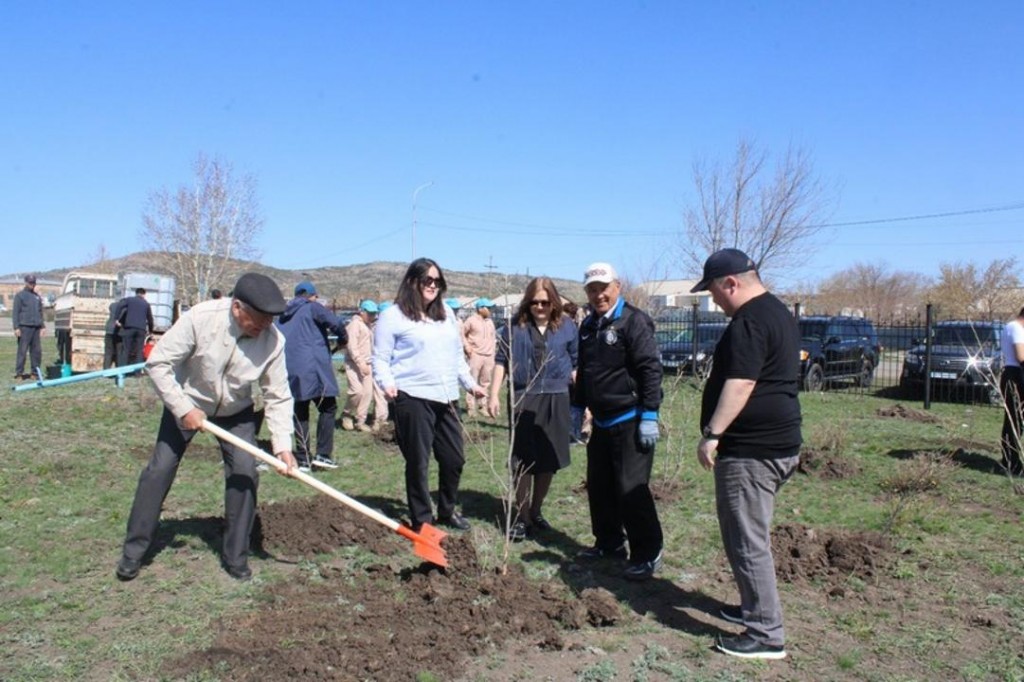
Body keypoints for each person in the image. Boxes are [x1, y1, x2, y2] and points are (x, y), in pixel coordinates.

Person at [115, 272, 298, 582]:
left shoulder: (273, 341)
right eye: (259, 319)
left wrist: (283, 446)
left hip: (236, 411)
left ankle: (236, 556)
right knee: (159, 470)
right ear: (237, 307)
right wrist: (183, 408)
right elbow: (158, 363)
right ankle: (134, 552)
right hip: (188, 402)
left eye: (271, 320)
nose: (265, 326)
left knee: (245, 472)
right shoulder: (201, 318)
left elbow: (278, 395)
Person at [691, 248, 801, 660]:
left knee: (747, 540)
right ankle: (755, 607)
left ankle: (766, 634)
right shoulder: (778, 312)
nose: (713, 299)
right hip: (778, 444)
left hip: (752, 451)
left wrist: (713, 434)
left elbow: (741, 383)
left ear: (731, 283)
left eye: (713, 291)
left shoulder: (750, 320)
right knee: (751, 534)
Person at [372, 258, 486, 532]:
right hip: (412, 396)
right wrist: (387, 383)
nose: (433, 285)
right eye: (427, 280)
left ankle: (446, 510)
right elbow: (380, 358)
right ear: (413, 282)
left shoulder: (446, 314)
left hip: (446, 397)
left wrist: (470, 384)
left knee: (454, 459)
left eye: (437, 281)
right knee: (418, 462)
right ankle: (422, 520)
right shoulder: (393, 316)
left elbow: (456, 355)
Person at [574, 262, 664, 581]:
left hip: (631, 418)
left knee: (631, 489)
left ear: (617, 286)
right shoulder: (588, 326)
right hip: (601, 421)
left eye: (603, 288)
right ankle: (609, 542)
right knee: (599, 486)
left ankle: (648, 552)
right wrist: (578, 407)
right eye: (592, 289)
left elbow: (650, 369)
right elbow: (585, 370)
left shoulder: (634, 321)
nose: (598, 295)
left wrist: (650, 414)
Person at [488, 277, 578, 541]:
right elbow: (501, 361)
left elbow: (576, 362)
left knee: (549, 459)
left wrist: (584, 397)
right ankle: (522, 516)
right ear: (527, 302)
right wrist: (493, 394)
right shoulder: (513, 327)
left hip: (557, 397)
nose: (540, 307)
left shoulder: (567, 327)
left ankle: (536, 510)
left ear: (554, 303)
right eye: (535, 302)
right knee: (523, 461)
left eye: (545, 302)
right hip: (523, 397)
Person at [275, 280, 348, 471]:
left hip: (290, 369)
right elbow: (336, 323)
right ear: (312, 296)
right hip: (314, 368)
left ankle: (303, 458)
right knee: (328, 407)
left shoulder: (282, 315)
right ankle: (323, 454)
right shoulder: (312, 307)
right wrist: (343, 339)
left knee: (300, 411)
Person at [342, 300, 384, 433]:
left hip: (367, 363)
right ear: (362, 312)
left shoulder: (369, 325)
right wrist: (360, 363)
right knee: (357, 391)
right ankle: (347, 413)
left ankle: (360, 421)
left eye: (374, 314)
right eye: (370, 313)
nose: (372, 316)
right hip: (354, 363)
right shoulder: (355, 325)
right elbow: (352, 346)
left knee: (367, 394)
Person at [462, 297, 497, 418]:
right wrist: (467, 347)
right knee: (472, 381)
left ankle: (483, 406)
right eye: (488, 308)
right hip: (475, 354)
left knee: (485, 382)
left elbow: (493, 338)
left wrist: (492, 353)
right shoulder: (471, 320)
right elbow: (462, 334)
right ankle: (470, 407)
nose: (490, 310)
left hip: (488, 356)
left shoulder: (490, 322)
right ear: (480, 308)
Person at [999, 307, 1024, 475]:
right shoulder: (1016, 328)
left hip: (1015, 373)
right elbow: (1021, 356)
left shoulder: (1012, 327)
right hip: (1016, 375)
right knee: (1015, 419)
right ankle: (1011, 462)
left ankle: (1010, 460)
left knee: (1016, 419)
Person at [13, 274, 45, 380]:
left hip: (36, 328)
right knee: (22, 351)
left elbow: (40, 312)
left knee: (36, 352)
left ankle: (34, 373)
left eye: (34, 282)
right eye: (30, 282)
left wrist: (42, 326)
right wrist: (16, 327)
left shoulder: (37, 297)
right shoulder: (20, 296)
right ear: (26, 282)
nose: (32, 284)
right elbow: (15, 313)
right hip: (24, 327)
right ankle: (19, 373)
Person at [116, 288, 155, 366]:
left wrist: (116, 318)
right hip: (141, 329)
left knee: (126, 349)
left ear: (136, 293)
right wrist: (151, 331)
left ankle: (123, 369)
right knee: (139, 350)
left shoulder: (129, 300)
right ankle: (137, 371)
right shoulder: (146, 304)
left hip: (129, 328)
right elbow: (150, 319)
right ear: (144, 294)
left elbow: (119, 305)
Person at [103, 299, 124, 369]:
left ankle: (106, 370)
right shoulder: (125, 307)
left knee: (108, 352)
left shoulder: (112, 305)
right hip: (119, 332)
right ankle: (118, 371)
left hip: (109, 330)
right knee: (119, 353)